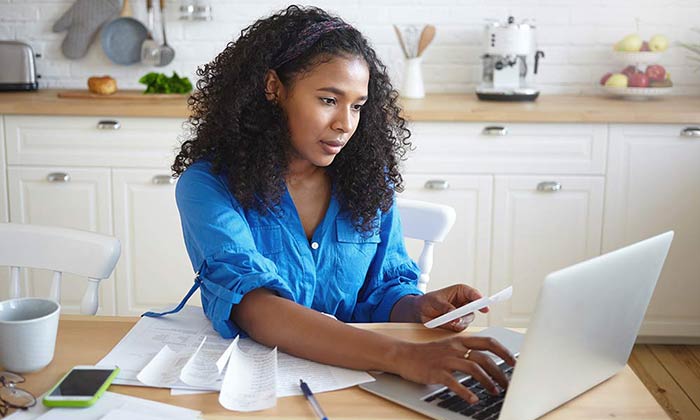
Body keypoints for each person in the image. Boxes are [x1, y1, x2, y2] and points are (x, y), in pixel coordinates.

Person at [168, 5, 515, 404]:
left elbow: (381, 292)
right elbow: (257, 309)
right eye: (329, 100)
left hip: (362, 387)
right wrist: (403, 356)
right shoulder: (209, 185)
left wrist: (418, 307)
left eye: (356, 105)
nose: (345, 124)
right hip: (257, 394)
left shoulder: (367, 182)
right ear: (273, 88)